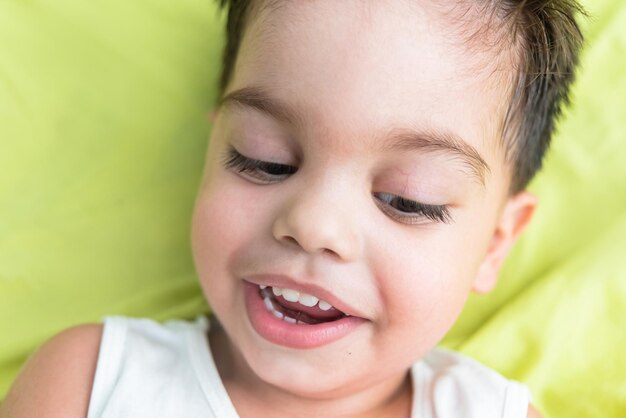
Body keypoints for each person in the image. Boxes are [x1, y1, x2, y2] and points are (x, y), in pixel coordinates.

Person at [0, 0, 585, 416]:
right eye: (264, 159)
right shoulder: (89, 382)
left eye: (407, 199)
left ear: (495, 244)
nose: (312, 226)